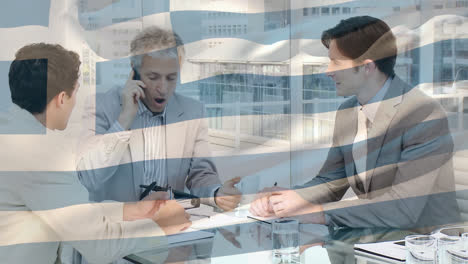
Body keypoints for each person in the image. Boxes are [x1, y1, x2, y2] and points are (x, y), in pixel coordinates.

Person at [250, 16, 460, 229]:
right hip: (370, 239)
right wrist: (289, 198)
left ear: (367, 67)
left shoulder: (422, 113)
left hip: (424, 245)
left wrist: (317, 213)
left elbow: (402, 208)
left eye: (337, 62)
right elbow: (330, 182)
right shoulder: (347, 112)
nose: (328, 71)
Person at [0, 43, 191, 264]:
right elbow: (100, 244)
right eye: (76, 93)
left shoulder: (13, 132)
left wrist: (132, 211)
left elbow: (71, 209)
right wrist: (161, 226)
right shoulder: (37, 153)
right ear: (62, 98)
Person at [77, 26, 241, 211]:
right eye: (153, 77)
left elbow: (201, 174)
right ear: (134, 71)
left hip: (171, 225)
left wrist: (216, 194)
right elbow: (89, 178)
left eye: (171, 78)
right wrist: (123, 121)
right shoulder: (102, 106)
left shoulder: (192, 112)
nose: (163, 88)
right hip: (120, 230)